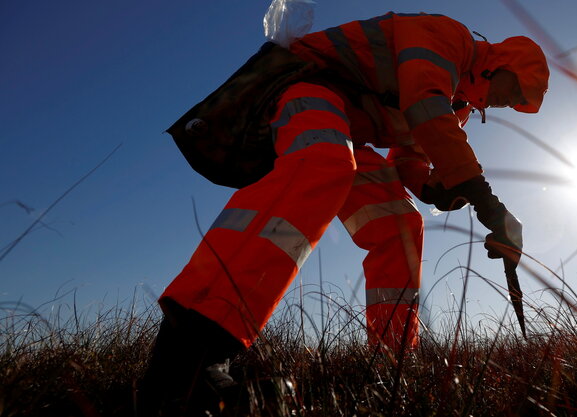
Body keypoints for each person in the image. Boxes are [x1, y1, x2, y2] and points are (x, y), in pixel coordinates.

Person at [139, 11, 548, 415]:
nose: (512, 104)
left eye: (521, 104)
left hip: (349, 131)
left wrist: (435, 189)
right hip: (306, 87)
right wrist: (489, 205)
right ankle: (192, 350)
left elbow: (410, 160)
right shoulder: (448, 39)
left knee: (401, 224)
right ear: (503, 63)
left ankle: (393, 366)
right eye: (519, 91)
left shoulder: (457, 106)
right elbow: (424, 104)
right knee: (323, 163)